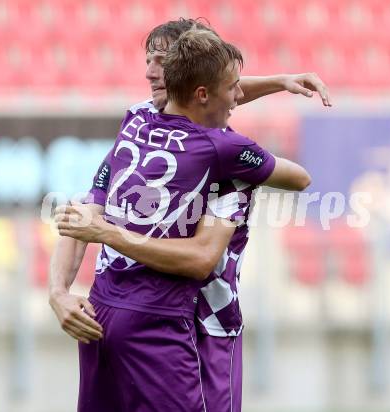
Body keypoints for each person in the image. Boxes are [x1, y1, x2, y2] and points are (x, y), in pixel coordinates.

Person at [50, 19, 329, 412]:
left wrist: (279, 81)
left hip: (198, 323)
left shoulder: (203, 149)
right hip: (157, 317)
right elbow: (88, 210)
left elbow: (198, 258)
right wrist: (59, 291)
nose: (150, 72)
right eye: (149, 60)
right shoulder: (149, 125)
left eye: (162, 62)